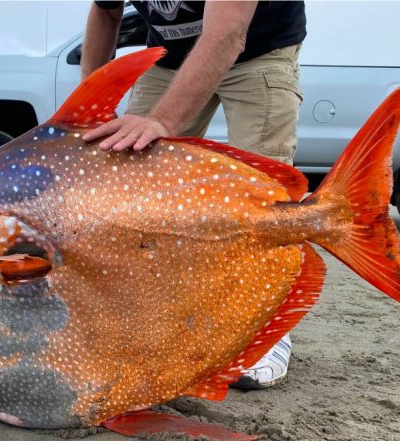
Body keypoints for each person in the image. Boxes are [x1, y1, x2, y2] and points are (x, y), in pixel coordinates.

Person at [81, 1, 306, 389]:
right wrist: (90, 106)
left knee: (264, 192)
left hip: (258, 46)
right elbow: (105, 12)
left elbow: (228, 32)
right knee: (129, 183)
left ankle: (264, 331)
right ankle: (150, 322)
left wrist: (164, 120)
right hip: (172, 60)